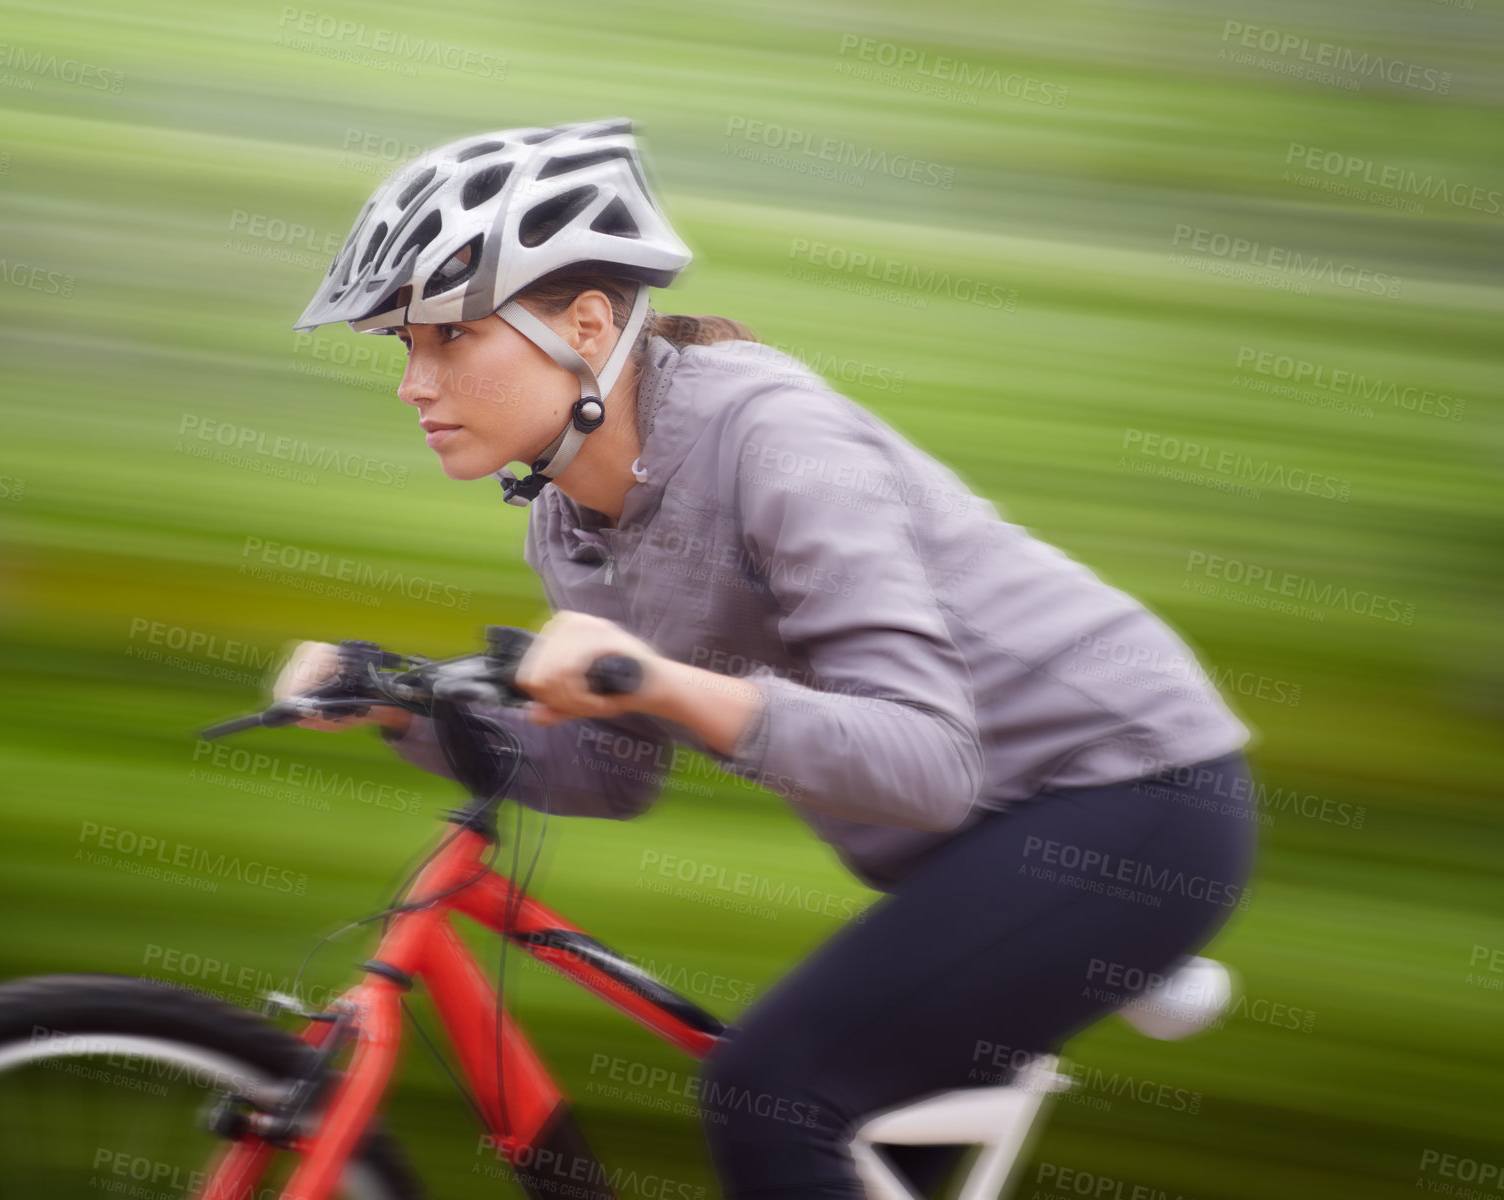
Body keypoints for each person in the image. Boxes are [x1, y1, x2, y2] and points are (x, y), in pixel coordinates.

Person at [280, 118, 1258, 1200]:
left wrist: (658, 680)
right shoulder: (568, 523)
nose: (413, 383)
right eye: (402, 347)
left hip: (1131, 794)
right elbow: (610, 769)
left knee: (774, 1096)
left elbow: (926, 757)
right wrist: (394, 705)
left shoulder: (773, 439)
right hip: (973, 849)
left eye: (448, 337)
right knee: (833, 1138)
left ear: (586, 322)